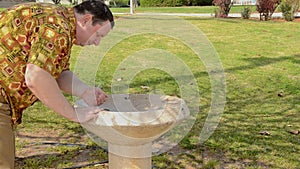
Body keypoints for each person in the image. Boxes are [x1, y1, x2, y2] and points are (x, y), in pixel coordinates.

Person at [0, 0, 114, 168]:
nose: (97, 43)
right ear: (86, 20)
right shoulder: (57, 27)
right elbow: (36, 77)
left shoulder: (59, 20)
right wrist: (73, 114)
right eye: (98, 35)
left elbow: (55, 72)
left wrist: (85, 91)